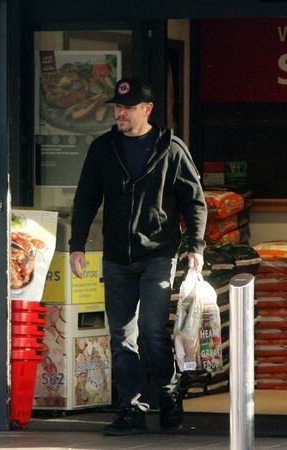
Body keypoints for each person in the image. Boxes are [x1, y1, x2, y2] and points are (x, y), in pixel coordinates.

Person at [69, 78, 207, 436]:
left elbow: (194, 201)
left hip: (159, 253)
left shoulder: (171, 148)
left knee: (151, 328)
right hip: (116, 256)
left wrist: (196, 246)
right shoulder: (103, 148)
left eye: (127, 108)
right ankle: (130, 407)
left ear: (147, 110)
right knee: (122, 335)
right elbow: (86, 198)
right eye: (117, 107)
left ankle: (168, 394)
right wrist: (77, 245)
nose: (120, 113)